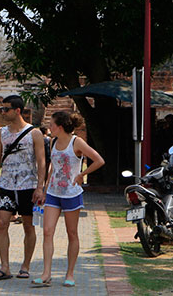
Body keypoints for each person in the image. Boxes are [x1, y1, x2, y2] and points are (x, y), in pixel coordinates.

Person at [33, 111, 105, 288]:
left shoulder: (76, 142)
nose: (49, 127)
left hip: (71, 193)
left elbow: (99, 160)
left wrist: (82, 174)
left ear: (60, 126)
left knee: (71, 233)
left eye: (51, 124)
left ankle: (70, 273)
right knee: (48, 231)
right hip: (53, 192)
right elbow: (52, 168)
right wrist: (43, 188)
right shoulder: (53, 141)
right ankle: (46, 273)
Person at [0, 95, 46, 281]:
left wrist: (40, 187)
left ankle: (26, 265)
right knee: (2, 223)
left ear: (18, 110)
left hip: (28, 185)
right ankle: (4, 266)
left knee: (28, 226)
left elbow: (41, 161)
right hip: (6, 185)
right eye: (2, 109)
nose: (3, 112)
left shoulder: (34, 133)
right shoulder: (1, 133)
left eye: (6, 109)